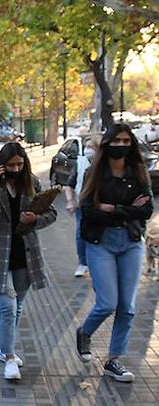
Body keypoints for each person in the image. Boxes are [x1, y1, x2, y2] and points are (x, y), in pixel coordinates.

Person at [75, 123, 155, 382]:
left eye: (126, 140)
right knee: (107, 303)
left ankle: (114, 360)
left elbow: (146, 210)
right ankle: (85, 332)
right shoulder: (93, 174)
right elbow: (87, 211)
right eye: (116, 140)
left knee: (127, 307)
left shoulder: (139, 174)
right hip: (101, 243)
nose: (121, 145)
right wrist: (126, 208)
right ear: (108, 143)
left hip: (131, 242)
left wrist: (113, 209)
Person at [0, 142, 57, 381]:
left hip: (24, 254)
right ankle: (10, 357)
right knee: (7, 308)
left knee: (17, 307)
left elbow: (51, 214)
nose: (16, 168)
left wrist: (34, 220)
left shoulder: (32, 183)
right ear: (1, 165)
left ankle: (4, 349)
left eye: (20, 164)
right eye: (10, 165)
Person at [63, 136, 99, 277]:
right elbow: (70, 184)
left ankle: (96, 262)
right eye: (86, 146)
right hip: (81, 205)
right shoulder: (81, 162)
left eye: (92, 147)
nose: (88, 150)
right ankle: (83, 263)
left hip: (100, 206)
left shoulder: (105, 165)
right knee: (81, 233)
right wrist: (70, 201)